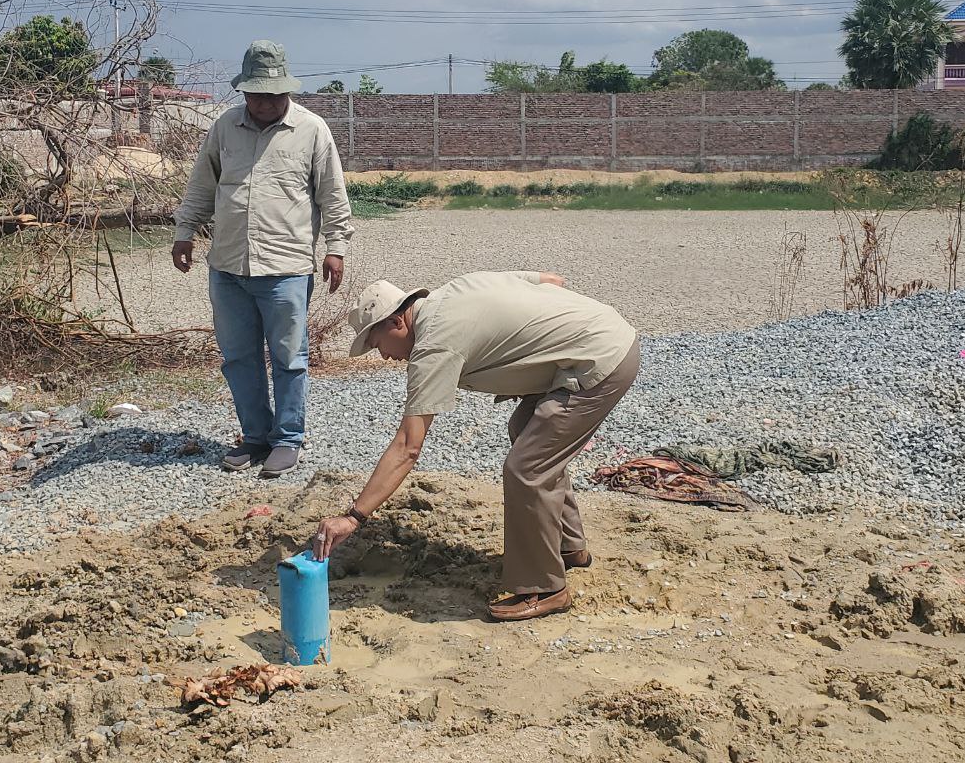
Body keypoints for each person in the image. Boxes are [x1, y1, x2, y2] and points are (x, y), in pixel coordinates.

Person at [311, 272, 640, 621]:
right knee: (527, 431)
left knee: (527, 468)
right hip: (601, 338)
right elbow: (546, 280)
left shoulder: (434, 344)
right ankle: (568, 547)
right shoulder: (451, 293)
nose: (385, 357)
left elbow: (408, 446)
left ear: (396, 320)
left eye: (378, 344)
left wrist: (354, 517)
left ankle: (546, 588)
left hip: (600, 360)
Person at [172, 40, 353, 477]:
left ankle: (288, 439)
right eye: (257, 94)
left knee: (289, 358)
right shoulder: (224, 128)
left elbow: (332, 193)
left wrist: (336, 248)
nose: (266, 102)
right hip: (228, 267)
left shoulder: (312, 130)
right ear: (244, 91)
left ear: (287, 90)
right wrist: (184, 233)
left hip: (286, 268)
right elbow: (202, 185)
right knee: (238, 358)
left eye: (274, 94)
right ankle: (255, 437)